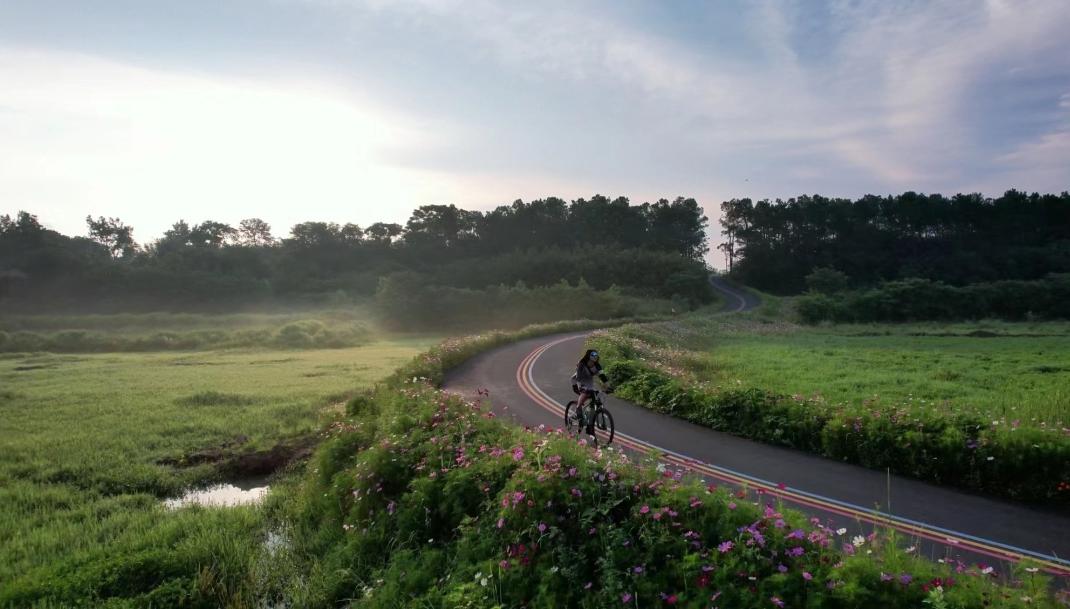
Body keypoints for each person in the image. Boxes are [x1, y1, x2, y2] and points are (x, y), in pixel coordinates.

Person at [570, 349, 611, 434]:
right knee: (584, 395)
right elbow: (578, 378)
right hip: (578, 381)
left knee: (595, 399)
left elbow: (602, 376)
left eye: (596, 355)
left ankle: (589, 425)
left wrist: (608, 387)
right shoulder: (582, 364)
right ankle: (578, 411)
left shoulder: (597, 366)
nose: (595, 357)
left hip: (589, 383)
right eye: (593, 355)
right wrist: (582, 388)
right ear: (589, 356)